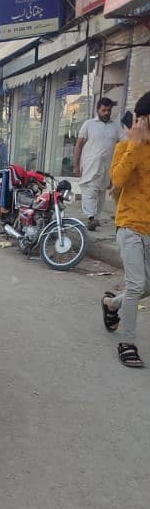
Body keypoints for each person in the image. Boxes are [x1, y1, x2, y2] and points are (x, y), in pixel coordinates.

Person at [100, 92, 150, 368]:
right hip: (129, 224)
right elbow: (117, 179)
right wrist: (134, 143)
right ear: (142, 120)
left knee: (147, 284)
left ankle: (112, 305)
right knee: (136, 284)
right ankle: (127, 342)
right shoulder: (126, 146)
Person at [73, 97, 124, 231]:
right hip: (90, 165)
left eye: (109, 110)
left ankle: (95, 218)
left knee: (101, 193)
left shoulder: (116, 127)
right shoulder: (89, 124)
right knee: (90, 190)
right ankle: (91, 217)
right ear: (98, 110)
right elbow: (78, 145)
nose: (106, 113)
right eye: (104, 110)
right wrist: (76, 165)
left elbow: (124, 144)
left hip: (107, 167)